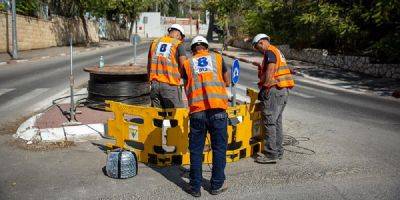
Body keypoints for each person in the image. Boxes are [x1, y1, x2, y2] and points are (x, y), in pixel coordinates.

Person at [182, 36, 229, 197]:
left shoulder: (187, 64)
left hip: (197, 112)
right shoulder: (217, 58)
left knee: (195, 151)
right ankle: (216, 185)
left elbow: (186, 84)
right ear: (206, 47)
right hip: (218, 111)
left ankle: (195, 188)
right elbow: (227, 81)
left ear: (193, 49)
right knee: (219, 149)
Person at [252, 33, 295, 164]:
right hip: (283, 90)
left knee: (270, 121)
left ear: (261, 42)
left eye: (258, 47)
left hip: (274, 90)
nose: (259, 50)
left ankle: (271, 154)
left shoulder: (270, 52)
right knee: (277, 122)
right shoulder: (277, 51)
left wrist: (265, 87)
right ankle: (278, 151)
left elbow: (271, 69)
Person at [147, 24, 187, 108]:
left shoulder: (155, 42)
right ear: (178, 34)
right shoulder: (178, 44)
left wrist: (150, 82)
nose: (181, 40)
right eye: (181, 37)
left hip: (154, 85)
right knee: (176, 116)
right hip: (171, 85)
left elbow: (149, 65)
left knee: (157, 116)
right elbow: (184, 66)